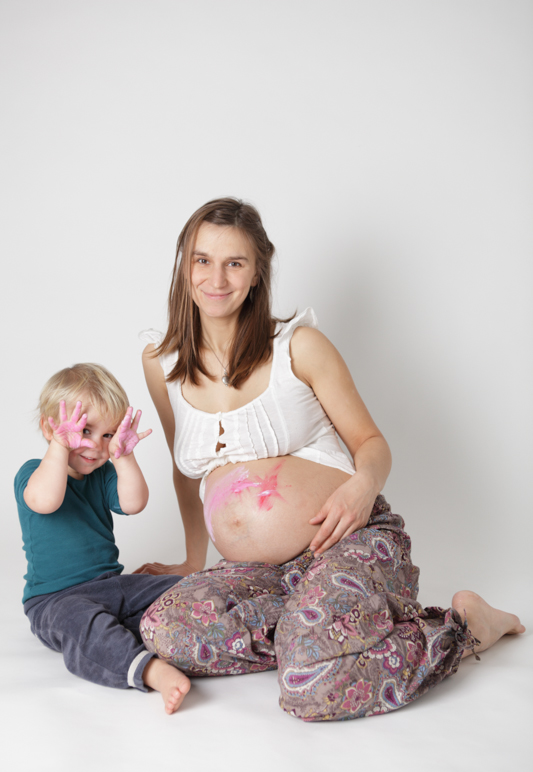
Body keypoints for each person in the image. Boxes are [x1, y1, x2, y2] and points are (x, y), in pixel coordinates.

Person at [137, 198, 524, 721]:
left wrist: (362, 488)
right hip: (260, 573)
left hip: (347, 541)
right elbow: (187, 474)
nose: (216, 278)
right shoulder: (162, 363)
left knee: (309, 690)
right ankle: (315, 630)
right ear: (184, 265)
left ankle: (466, 627)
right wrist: (191, 561)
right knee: (163, 628)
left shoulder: (299, 346)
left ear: (257, 273)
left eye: (235, 263)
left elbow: (372, 444)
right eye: (202, 260)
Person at [15, 363, 191, 714]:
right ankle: (148, 670)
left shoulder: (104, 473)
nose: (96, 445)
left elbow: (134, 503)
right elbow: (46, 501)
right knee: (82, 622)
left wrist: (123, 458)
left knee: (180, 586)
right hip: (55, 600)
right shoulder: (33, 473)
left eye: (108, 434)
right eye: (84, 430)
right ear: (49, 428)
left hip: (112, 585)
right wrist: (58, 447)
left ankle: (196, 630)